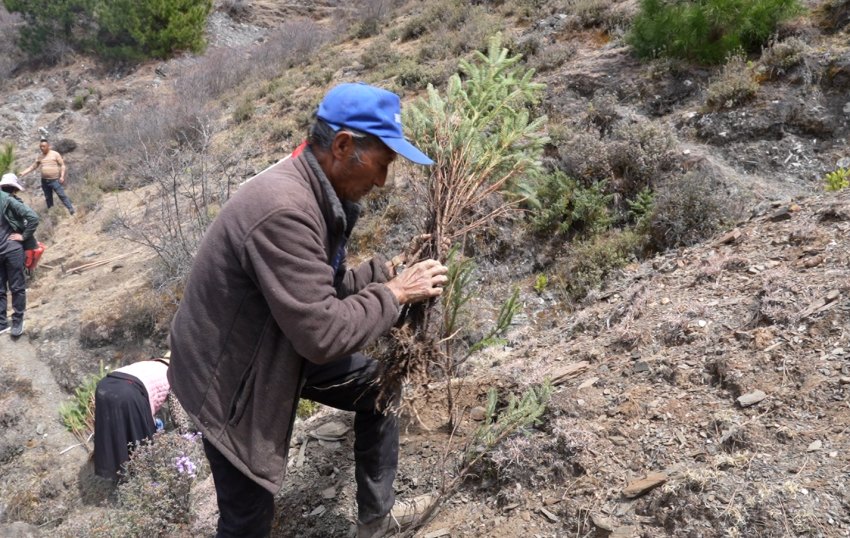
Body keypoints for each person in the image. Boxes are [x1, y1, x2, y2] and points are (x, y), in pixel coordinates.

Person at [168, 82, 448, 538]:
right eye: (383, 164)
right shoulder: (284, 208)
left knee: (377, 388)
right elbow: (322, 335)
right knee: (248, 518)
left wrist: (383, 272)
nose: (382, 181)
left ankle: (375, 521)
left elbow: (318, 289)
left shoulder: (310, 188)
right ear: (342, 146)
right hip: (228, 379)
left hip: (278, 343)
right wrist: (395, 294)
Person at [93, 357, 171, 480]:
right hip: (128, 390)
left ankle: (113, 473)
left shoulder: (149, 364)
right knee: (140, 436)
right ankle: (144, 477)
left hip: (104, 385)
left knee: (112, 431)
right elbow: (176, 412)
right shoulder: (172, 374)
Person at [0, 173, 39, 337]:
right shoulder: (10, 200)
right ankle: (14, 323)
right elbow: (33, 218)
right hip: (12, 248)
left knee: (4, 289)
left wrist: (23, 236)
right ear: (14, 188)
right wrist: (23, 237)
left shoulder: (8, 201)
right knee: (16, 287)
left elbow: (33, 218)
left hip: (11, 249)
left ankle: (6, 323)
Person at [18, 138, 76, 215]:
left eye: (44, 146)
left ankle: (70, 209)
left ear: (48, 146)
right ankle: (52, 213)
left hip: (55, 180)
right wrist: (23, 173)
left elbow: (62, 165)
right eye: (41, 146)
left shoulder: (55, 154)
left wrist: (62, 176)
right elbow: (33, 167)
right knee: (48, 198)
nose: (42, 148)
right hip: (45, 181)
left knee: (61, 195)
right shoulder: (40, 157)